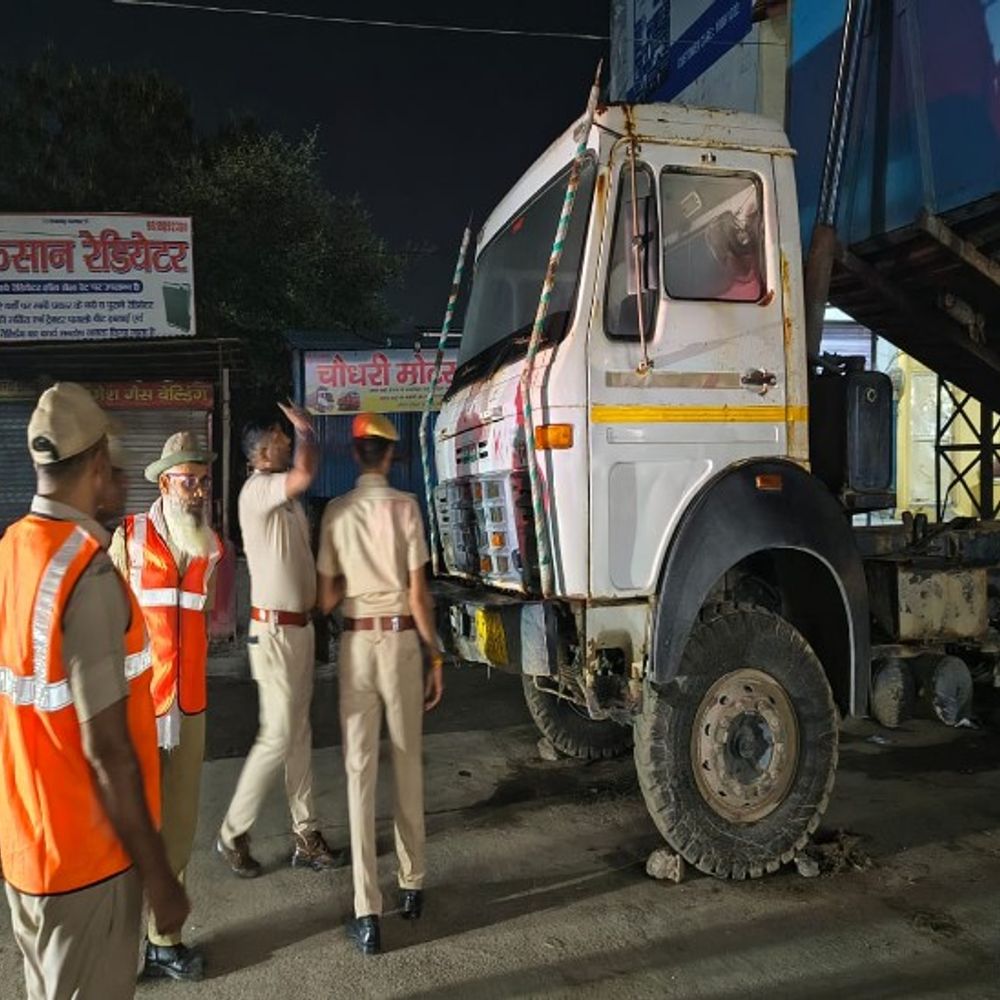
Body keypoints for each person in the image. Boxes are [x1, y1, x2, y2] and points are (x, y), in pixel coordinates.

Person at [0, 382, 187, 999]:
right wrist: (159, 874)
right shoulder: (87, 572)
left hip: (27, 847)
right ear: (99, 465)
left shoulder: (12, 549)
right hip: (87, 860)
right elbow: (108, 750)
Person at [317, 412, 444, 956]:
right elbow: (418, 595)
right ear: (389, 456)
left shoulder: (336, 512)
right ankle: (412, 885)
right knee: (407, 760)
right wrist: (434, 654)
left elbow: (324, 598)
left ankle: (366, 912)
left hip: (356, 646)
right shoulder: (406, 507)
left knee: (359, 773)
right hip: (400, 643)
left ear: (355, 455)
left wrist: (352, 577)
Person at [109, 430, 222, 982]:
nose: (197, 492)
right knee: (127, 829)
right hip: (139, 706)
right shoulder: (127, 538)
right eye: (187, 481)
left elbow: (203, 622)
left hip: (190, 705)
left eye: (202, 482)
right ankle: (113, 947)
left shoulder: (210, 547)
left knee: (177, 828)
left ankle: (163, 943)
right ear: (163, 484)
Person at [216, 402, 338, 878]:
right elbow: (305, 472)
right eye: (281, 435)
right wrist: (307, 429)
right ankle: (232, 832)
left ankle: (306, 835)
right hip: (274, 633)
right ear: (262, 450)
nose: (288, 440)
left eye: (290, 435)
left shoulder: (284, 501)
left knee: (297, 733)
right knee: (278, 734)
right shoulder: (258, 490)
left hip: (298, 628)